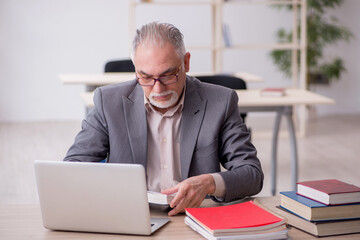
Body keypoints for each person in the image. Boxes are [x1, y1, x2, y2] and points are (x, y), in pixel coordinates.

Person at [64, 22, 263, 216]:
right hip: (130, 215)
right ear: (136, 70)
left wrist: (209, 183)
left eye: (168, 75)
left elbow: (251, 174)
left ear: (186, 62)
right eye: (146, 77)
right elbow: (73, 168)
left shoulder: (221, 101)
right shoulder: (109, 102)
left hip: (195, 216)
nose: (158, 89)